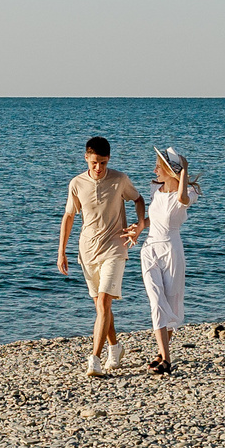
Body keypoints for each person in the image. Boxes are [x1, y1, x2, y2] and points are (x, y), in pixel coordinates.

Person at [57, 136, 145, 375]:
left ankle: (94, 358)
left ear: (109, 160)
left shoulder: (119, 180)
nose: (99, 168)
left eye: (104, 163)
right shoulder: (76, 183)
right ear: (86, 158)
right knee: (100, 307)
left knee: (105, 301)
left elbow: (138, 199)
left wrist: (139, 224)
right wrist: (61, 252)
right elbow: (69, 217)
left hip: (115, 247)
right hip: (87, 251)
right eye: (95, 162)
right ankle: (115, 348)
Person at [139, 147, 200, 372]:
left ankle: (162, 354)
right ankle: (167, 359)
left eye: (159, 166)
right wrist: (138, 227)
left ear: (170, 170)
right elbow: (152, 219)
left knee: (171, 303)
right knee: (156, 301)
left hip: (172, 251)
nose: (155, 170)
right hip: (149, 249)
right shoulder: (156, 189)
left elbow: (182, 198)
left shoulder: (188, 193)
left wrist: (183, 172)